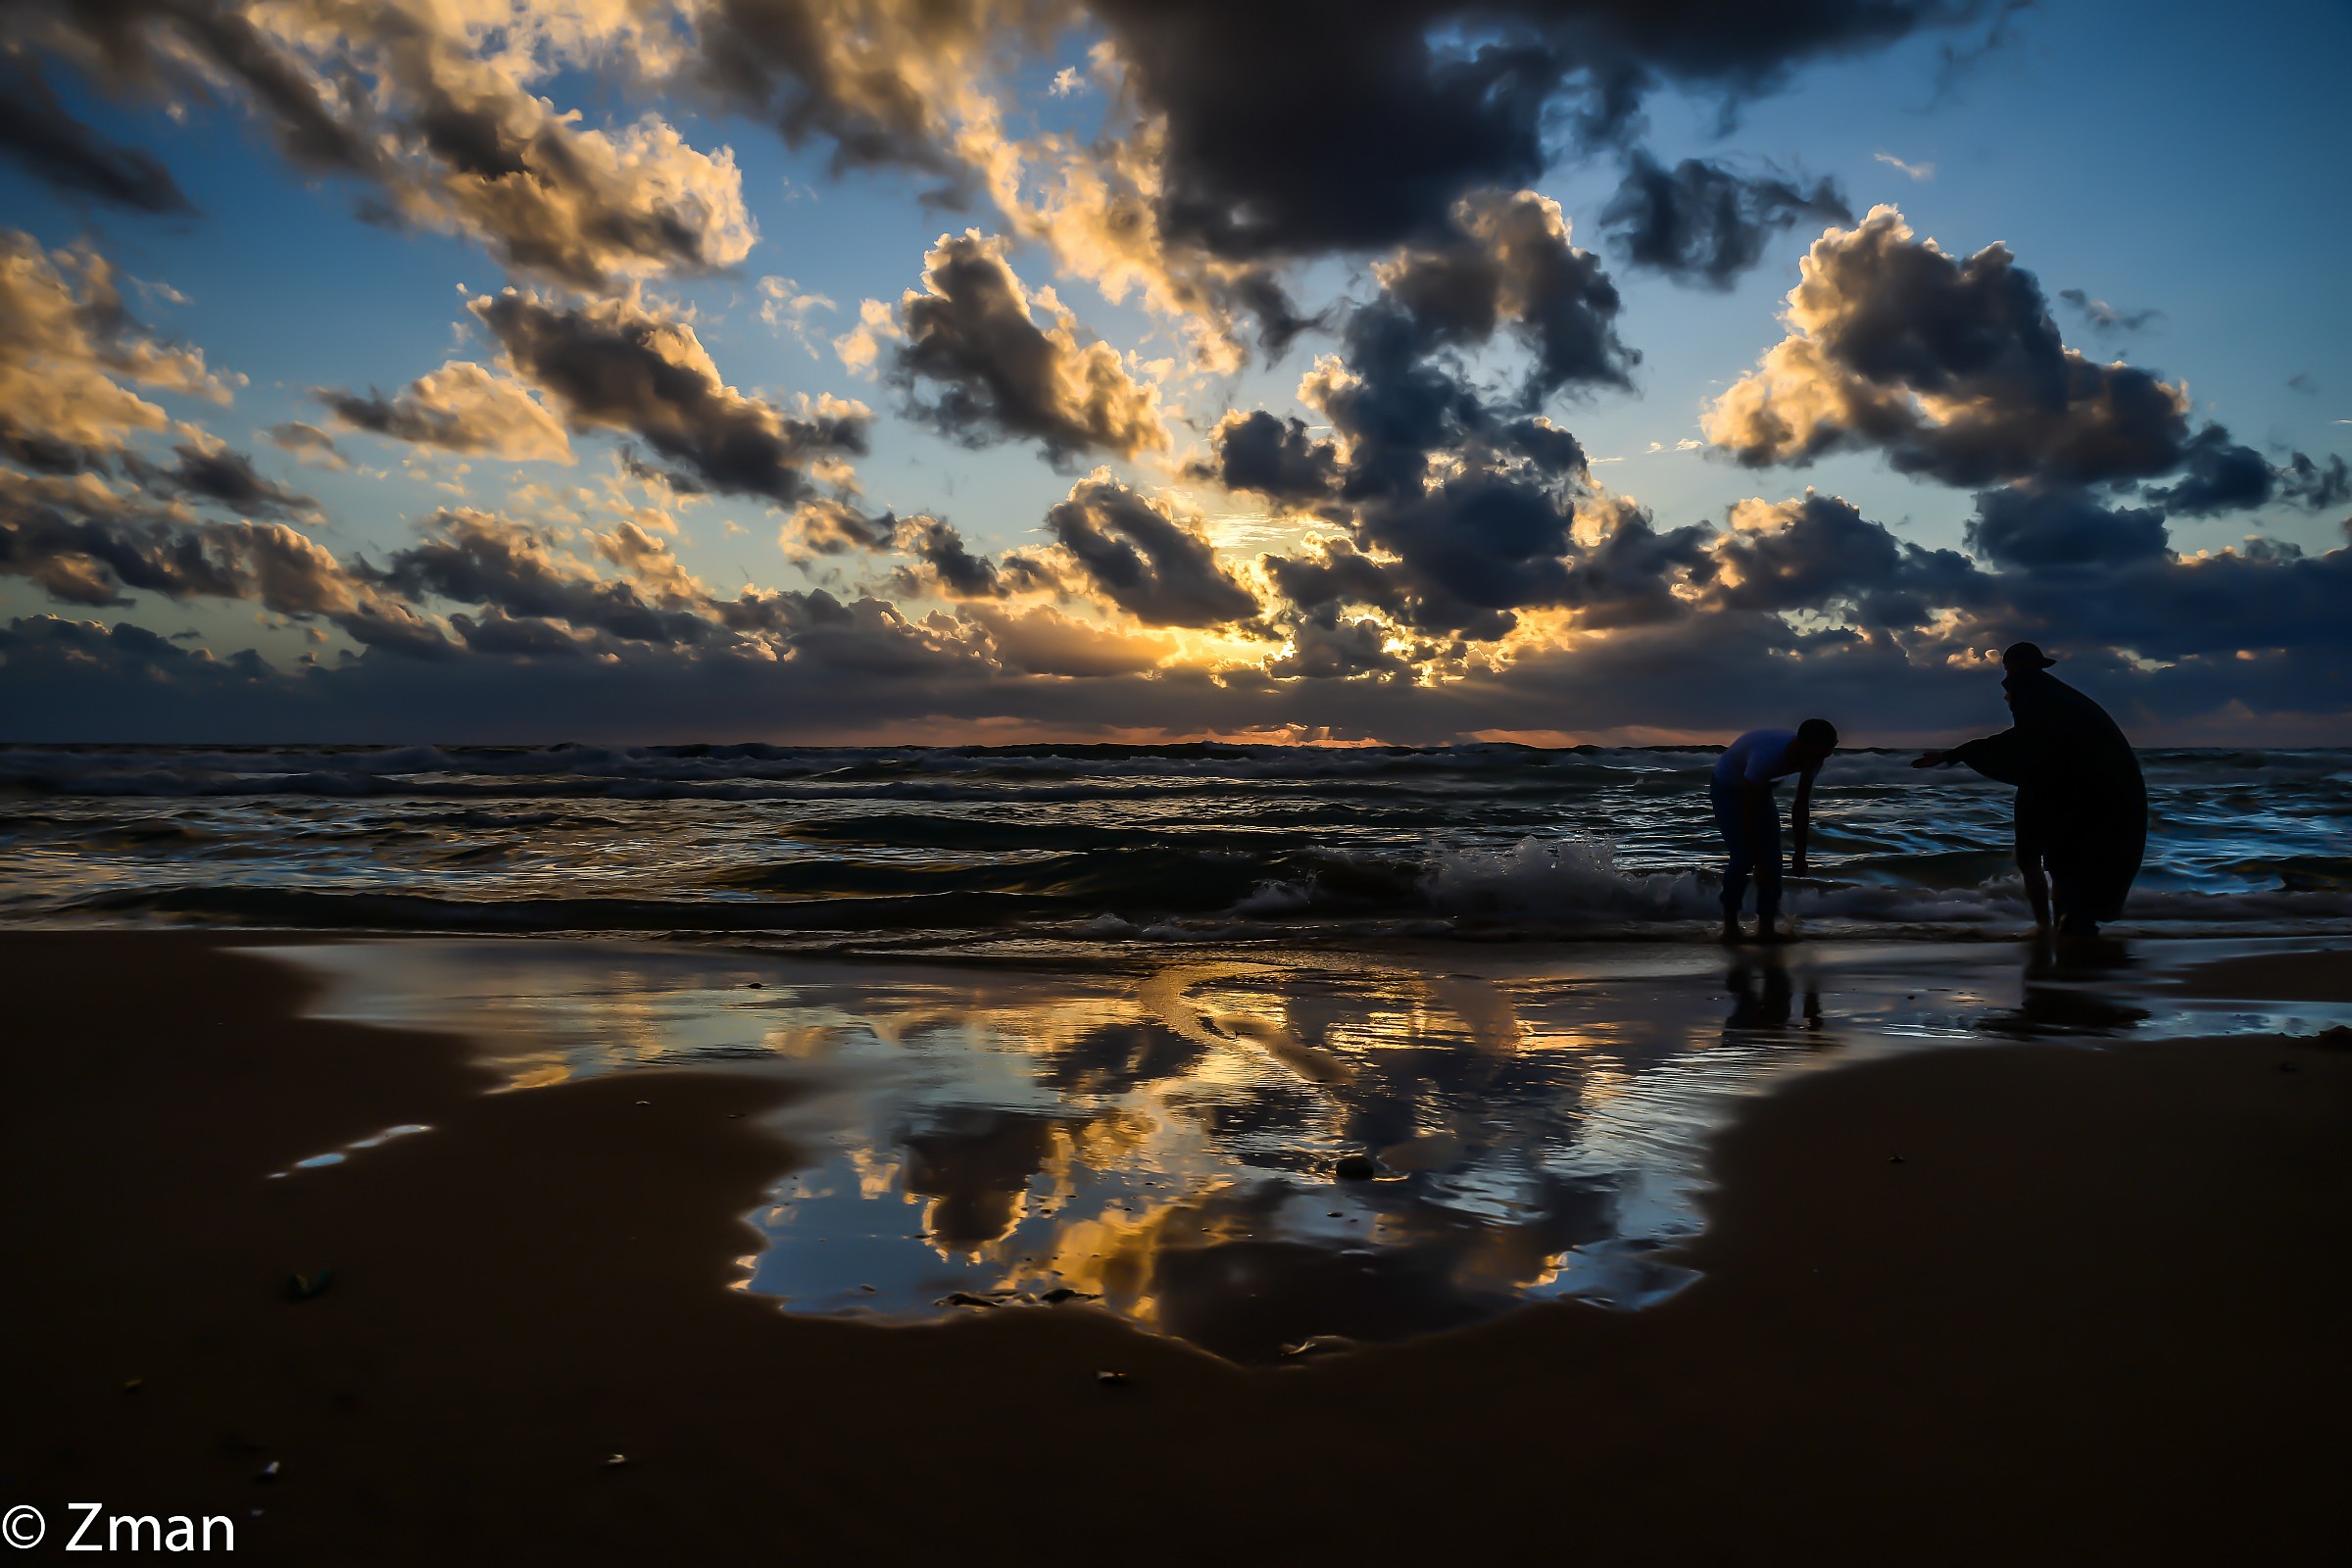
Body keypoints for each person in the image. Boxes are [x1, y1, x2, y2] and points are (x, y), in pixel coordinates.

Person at [1912, 642, 2146, 937]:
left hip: (2055, 787)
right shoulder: (2056, 694)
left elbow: (2024, 740)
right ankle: (2063, 924)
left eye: (2008, 674)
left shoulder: (2032, 689)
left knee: (2042, 861)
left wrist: (1954, 754)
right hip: (2079, 788)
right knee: (2060, 862)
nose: (2006, 691)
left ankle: (2051, 926)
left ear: (2013, 668)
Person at [1711, 718, 1838, 944]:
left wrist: (1800, 854)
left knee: (1773, 860)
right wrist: (1758, 861)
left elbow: (1800, 806)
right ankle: (1729, 926)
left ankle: (1765, 927)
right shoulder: (1767, 757)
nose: (1821, 760)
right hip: (1728, 788)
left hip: (1758, 787)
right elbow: (1748, 812)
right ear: (1802, 745)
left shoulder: (1815, 756)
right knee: (1743, 857)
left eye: (1827, 754)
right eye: (1819, 753)